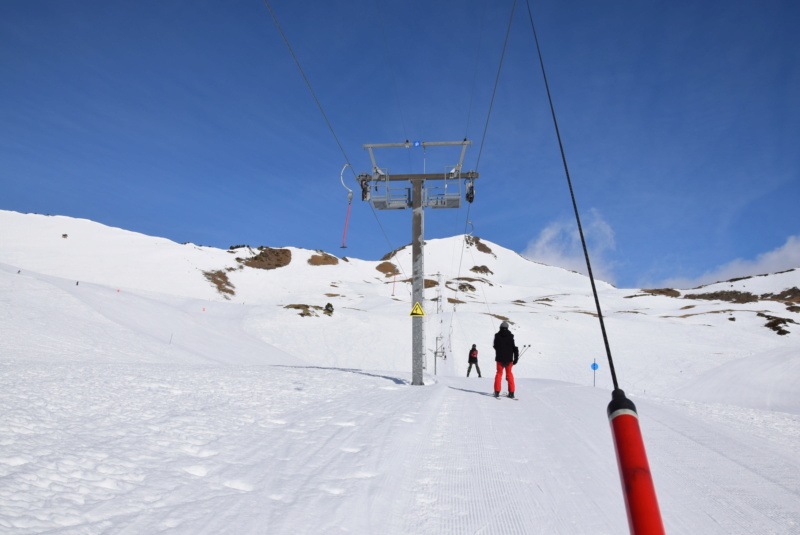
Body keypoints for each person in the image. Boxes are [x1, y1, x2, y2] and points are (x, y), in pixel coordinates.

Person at [493, 321, 519, 398]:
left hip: (500, 359)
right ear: (507, 328)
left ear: (500, 327)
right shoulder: (511, 336)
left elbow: (495, 346)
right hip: (509, 360)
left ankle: (497, 392)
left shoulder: (497, 335)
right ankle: (511, 393)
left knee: (499, 374)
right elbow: (514, 348)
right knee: (509, 374)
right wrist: (515, 358)